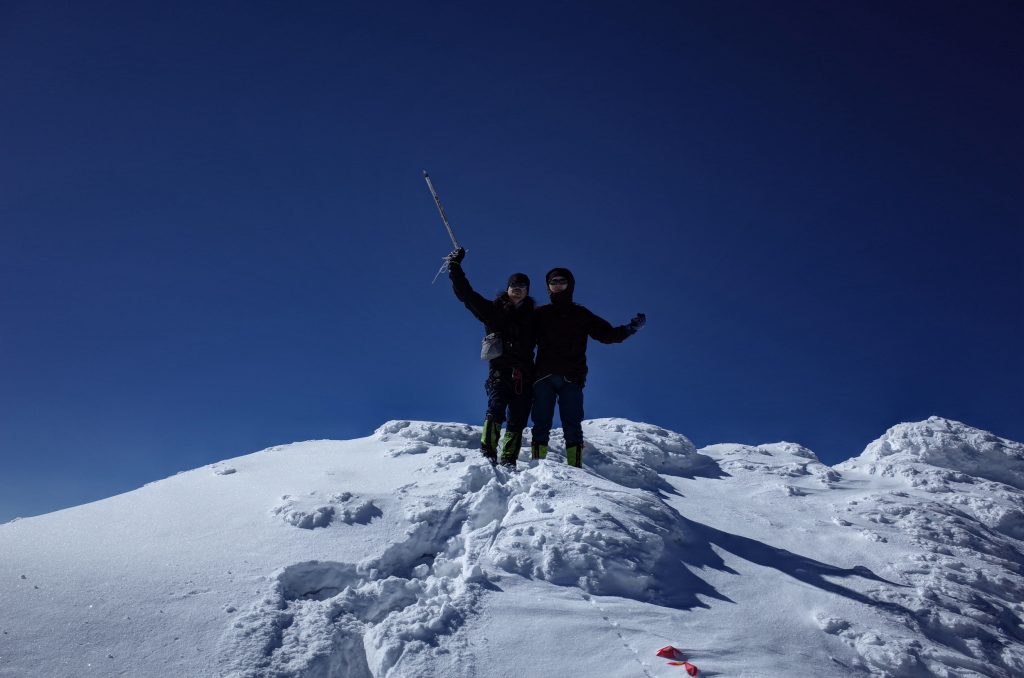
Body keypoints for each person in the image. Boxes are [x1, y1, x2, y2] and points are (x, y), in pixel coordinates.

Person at [531, 267, 645, 467]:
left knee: (573, 424)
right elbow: (520, 334)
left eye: (562, 281)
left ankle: (574, 468)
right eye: (553, 282)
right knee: (541, 422)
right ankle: (537, 465)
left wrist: (630, 328)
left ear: (570, 285)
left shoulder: (580, 313)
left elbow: (606, 334)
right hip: (543, 376)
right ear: (548, 287)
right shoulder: (540, 313)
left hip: (572, 377)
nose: (557, 285)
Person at [446, 247, 537, 468]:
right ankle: (487, 451)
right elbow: (466, 295)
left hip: (525, 375)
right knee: (496, 408)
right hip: (499, 372)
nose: (517, 290)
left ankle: (509, 458)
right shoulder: (492, 311)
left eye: (522, 287)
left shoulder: (536, 319)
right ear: (507, 289)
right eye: (514, 286)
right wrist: (455, 268)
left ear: (527, 291)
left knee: (519, 417)